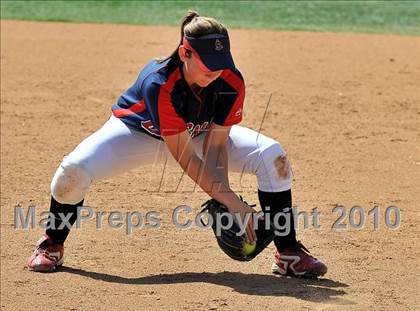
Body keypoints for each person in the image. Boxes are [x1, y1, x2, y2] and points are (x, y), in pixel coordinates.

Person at [27, 10, 327, 278]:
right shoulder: (159, 82)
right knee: (73, 171)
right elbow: (188, 160)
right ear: (185, 54)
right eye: (209, 64)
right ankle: (52, 242)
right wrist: (235, 204)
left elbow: (216, 146)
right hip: (135, 134)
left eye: (221, 63)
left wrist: (222, 199)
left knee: (272, 155)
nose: (217, 71)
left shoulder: (230, 80)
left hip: (196, 136)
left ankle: (289, 253)